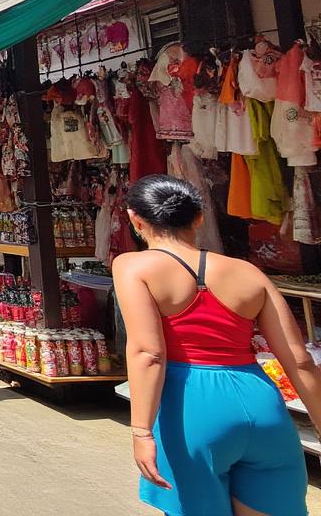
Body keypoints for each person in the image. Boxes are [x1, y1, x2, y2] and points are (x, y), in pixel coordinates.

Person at [113, 175, 320, 516]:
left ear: (136, 219)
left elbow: (148, 353)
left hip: (191, 407)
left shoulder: (133, 266)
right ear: (198, 218)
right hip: (261, 403)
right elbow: (300, 361)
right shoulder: (248, 272)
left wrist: (141, 432)